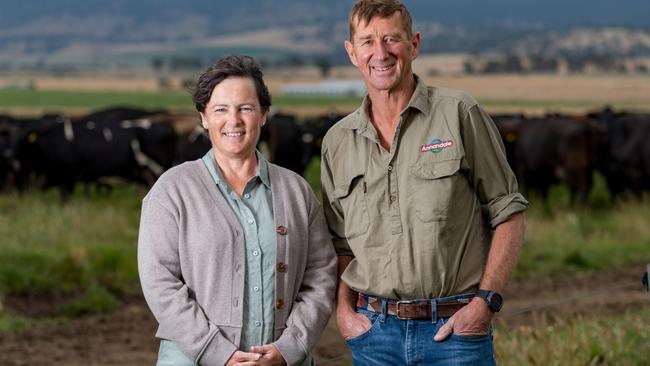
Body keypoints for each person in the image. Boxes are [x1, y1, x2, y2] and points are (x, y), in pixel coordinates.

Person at [320, 1, 528, 365]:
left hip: (455, 333)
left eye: (391, 39)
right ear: (351, 52)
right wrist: (344, 313)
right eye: (367, 42)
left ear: (414, 44)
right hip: (374, 336)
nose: (380, 53)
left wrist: (486, 302)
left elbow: (508, 211)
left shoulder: (459, 113)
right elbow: (340, 243)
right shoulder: (338, 141)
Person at [138, 55, 337, 366]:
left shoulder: (296, 191)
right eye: (220, 109)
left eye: (245, 108)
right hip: (193, 360)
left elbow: (321, 276)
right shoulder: (171, 191)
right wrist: (218, 353)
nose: (234, 120)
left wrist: (290, 348)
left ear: (263, 115)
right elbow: (159, 282)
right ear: (203, 117)